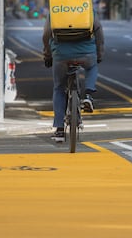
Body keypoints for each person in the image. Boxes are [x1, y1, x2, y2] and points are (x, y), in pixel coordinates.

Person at [42, 9, 104, 142]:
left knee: (59, 88)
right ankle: (88, 95)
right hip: (86, 53)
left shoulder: (55, 11)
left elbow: (46, 34)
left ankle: (59, 129)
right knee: (92, 67)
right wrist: (99, 53)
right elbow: (99, 32)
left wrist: (47, 54)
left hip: (61, 55)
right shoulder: (88, 10)